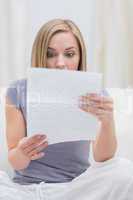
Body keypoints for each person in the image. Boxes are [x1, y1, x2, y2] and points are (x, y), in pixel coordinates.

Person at [1, 18, 133, 200]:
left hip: (76, 190)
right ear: (40, 54)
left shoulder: (95, 94)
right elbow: (15, 161)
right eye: (50, 54)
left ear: (80, 57)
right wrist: (23, 152)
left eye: (69, 54)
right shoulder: (18, 91)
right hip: (26, 190)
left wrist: (107, 121)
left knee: (125, 171)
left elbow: (104, 158)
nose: (60, 63)